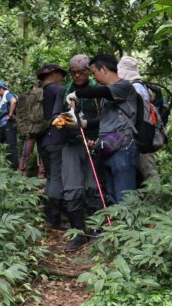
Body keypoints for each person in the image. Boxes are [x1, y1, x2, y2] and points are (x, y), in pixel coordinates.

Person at [66, 54, 139, 204]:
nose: (94, 77)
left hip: (124, 150)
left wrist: (77, 94)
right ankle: (116, 227)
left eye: (94, 73)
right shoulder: (109, 93)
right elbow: (107, 120)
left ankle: (128, 227)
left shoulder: (124, 86)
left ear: (104, 69)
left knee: (125, 198)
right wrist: (86, 124)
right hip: (109, 149)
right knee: (112, 197)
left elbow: (98, 92)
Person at [59, 54, 105, 251]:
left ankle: (98, 230)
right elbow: (56, 115)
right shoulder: (66, 91)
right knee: (72, 189)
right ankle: (78, 232)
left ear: (89, 71)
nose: (77, 76)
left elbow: (107, 117)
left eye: (81, 72)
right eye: (73, 72)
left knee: (95, 187)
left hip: (94, 143)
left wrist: (91, 131)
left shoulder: (98, 90)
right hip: (72, 143)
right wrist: (64, 123)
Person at [36, 64, 68, 230]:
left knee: (50, 177)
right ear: (54, 75)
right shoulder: (58, 90)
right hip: (56, 139)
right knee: (57, 177)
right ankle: (54, 219)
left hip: (42, 140)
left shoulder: (37, 92)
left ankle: (49, 214)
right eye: (61, 75)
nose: (62, 78)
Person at [118, 56, 160, 183]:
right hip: (144, 135)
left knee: (148, 172)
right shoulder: (143, 87)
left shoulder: (135, 88)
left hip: (140, 136)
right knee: (144, 173)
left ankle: (156, 198)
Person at [0, 80, 19, 169]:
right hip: (2, 125)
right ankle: (4, 164)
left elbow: (13, 101)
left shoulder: (7, 95)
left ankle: (14, 167)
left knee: (11, 145)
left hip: (9, 123)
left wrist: (10, 115)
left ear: (1, 88)